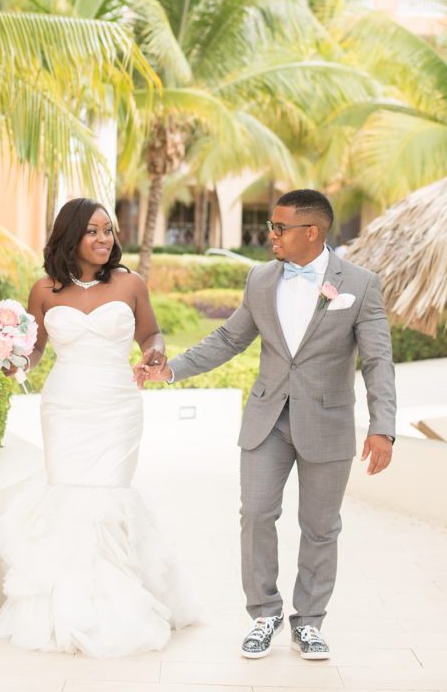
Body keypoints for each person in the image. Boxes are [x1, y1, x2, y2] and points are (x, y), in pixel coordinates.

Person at [141, 189, 396, 662]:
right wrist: (170, 369)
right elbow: (228, 338)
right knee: (255, 515)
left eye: (279, 228)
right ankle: (264, 614)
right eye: (271, 227)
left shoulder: (360, 284)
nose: (270, 235)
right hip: (267, 420)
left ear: (312, 232)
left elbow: (378, 360)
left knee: (320, 527)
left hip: (328, 421)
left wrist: (383, 425)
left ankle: (310, 622)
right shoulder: (260, 279)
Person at [0, 198, 197, 657]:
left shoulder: (130, 283)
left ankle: (120, 605)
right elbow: (37, 349)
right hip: (64, 405)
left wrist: (154, 353)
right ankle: (70, 607)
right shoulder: (44, 289)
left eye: (109, 231)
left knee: (107, 496)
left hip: (117, 406)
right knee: (67, 494)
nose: (105, 239)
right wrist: (13, 359)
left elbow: (151, 334)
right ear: (71, 237)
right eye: (94, 232)